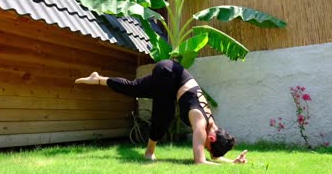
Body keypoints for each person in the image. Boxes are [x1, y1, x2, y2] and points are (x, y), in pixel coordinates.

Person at [75, 59, 247, 165]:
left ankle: (97, 79)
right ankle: (149, 152)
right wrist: (205, 160)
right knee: (164, 116)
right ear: (211, 138)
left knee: (134, 88)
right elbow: (200, 161)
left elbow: (213, 156)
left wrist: (232, 162)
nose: (205, 148)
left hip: (168, 71)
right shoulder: (201, 123)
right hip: (169, 76)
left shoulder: (212, 125)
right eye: (208, 147)